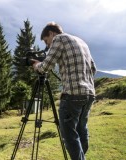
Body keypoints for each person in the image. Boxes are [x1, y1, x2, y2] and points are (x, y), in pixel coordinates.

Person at [32, 22, 96, 160]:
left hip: (72, 94)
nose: (48, 46)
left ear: (51, 33)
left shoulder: (59, 39)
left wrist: (36, 65)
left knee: (69, 135)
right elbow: (93, 69)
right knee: (81, 130)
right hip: (89, 93)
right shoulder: (82, 42)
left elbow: (46, 67)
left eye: (46, 41)